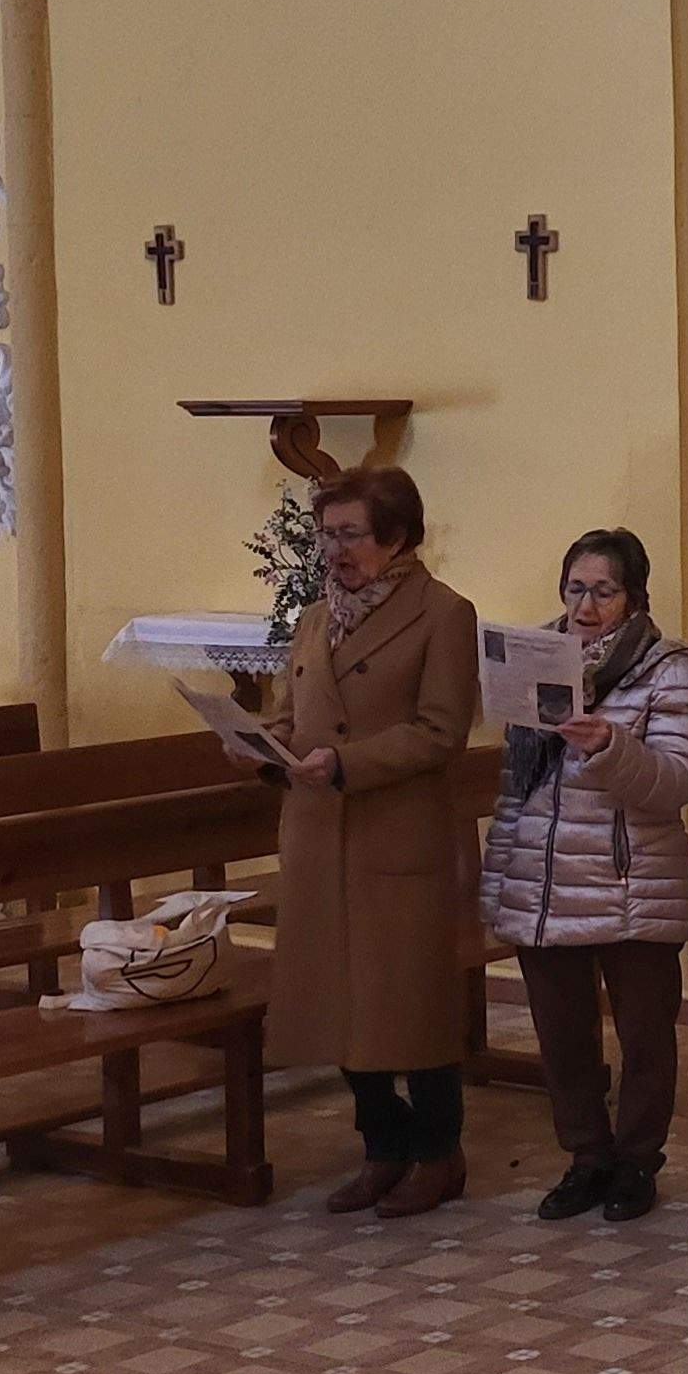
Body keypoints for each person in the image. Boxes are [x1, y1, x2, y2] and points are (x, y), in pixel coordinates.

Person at [264, 466, 486, 1220]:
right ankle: (381, 1148)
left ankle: (437, 1153)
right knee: (337, 1007)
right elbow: (291, 713)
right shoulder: (314, 619)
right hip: (321, 837)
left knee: (408, 1008)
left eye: (350, 533)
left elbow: (441, 731)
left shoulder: (444, 614)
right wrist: (262, 745)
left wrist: (348, 763)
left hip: (395, 838)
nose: (334, 549)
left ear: (397, 537)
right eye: (327, 534)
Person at [477, 527, 688, 1223]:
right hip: (544, 883)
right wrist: (501, 880)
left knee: (645, 1036)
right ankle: (585, 1156)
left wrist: (608, 744)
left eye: (603, 591)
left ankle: (637, 1160)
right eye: (575, 588)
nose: (585, 605)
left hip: (631, 880)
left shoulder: (670, 668)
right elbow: (514, 784)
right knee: (561, 1036)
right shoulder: (536, 656)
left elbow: (674, 783)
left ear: (634, 598)